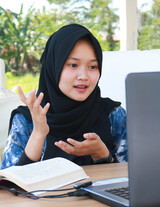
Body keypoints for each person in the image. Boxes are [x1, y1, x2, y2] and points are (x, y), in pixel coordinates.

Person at [1, 24, 127, 170]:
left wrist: (102, 154)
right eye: (73, 65)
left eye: (92, 66)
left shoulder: (114, 115)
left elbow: (136, 178)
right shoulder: (28, 119)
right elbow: (7, 185)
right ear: (54, 67)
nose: (83, 76)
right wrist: (38, 134)